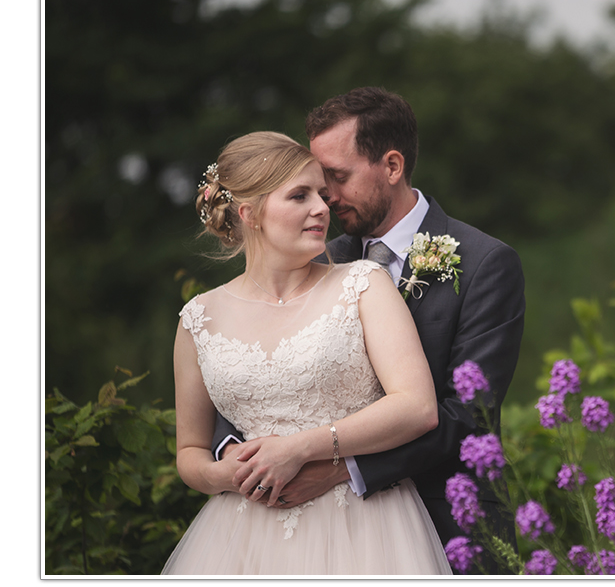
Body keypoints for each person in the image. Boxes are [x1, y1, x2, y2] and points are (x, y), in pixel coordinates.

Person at [211, 87, 525, 573]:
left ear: (392, 166)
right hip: (302, 532)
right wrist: (244, 458)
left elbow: (466, 416)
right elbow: (253, 365)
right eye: (314, 185)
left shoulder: (485, 264)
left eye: (336, 178)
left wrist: (339, 471)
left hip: (449, 526)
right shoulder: (317, 257)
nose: (325, 199)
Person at [162, 131, 452, 575]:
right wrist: (223, 477)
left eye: (321, 193)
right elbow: (191, 451)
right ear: (249, 213)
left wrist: (298, 449)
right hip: (243, 538)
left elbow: (417, 407)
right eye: (299, 196)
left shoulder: (363, 284)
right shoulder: (199, 318)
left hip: (368, 529)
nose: (322, 207)